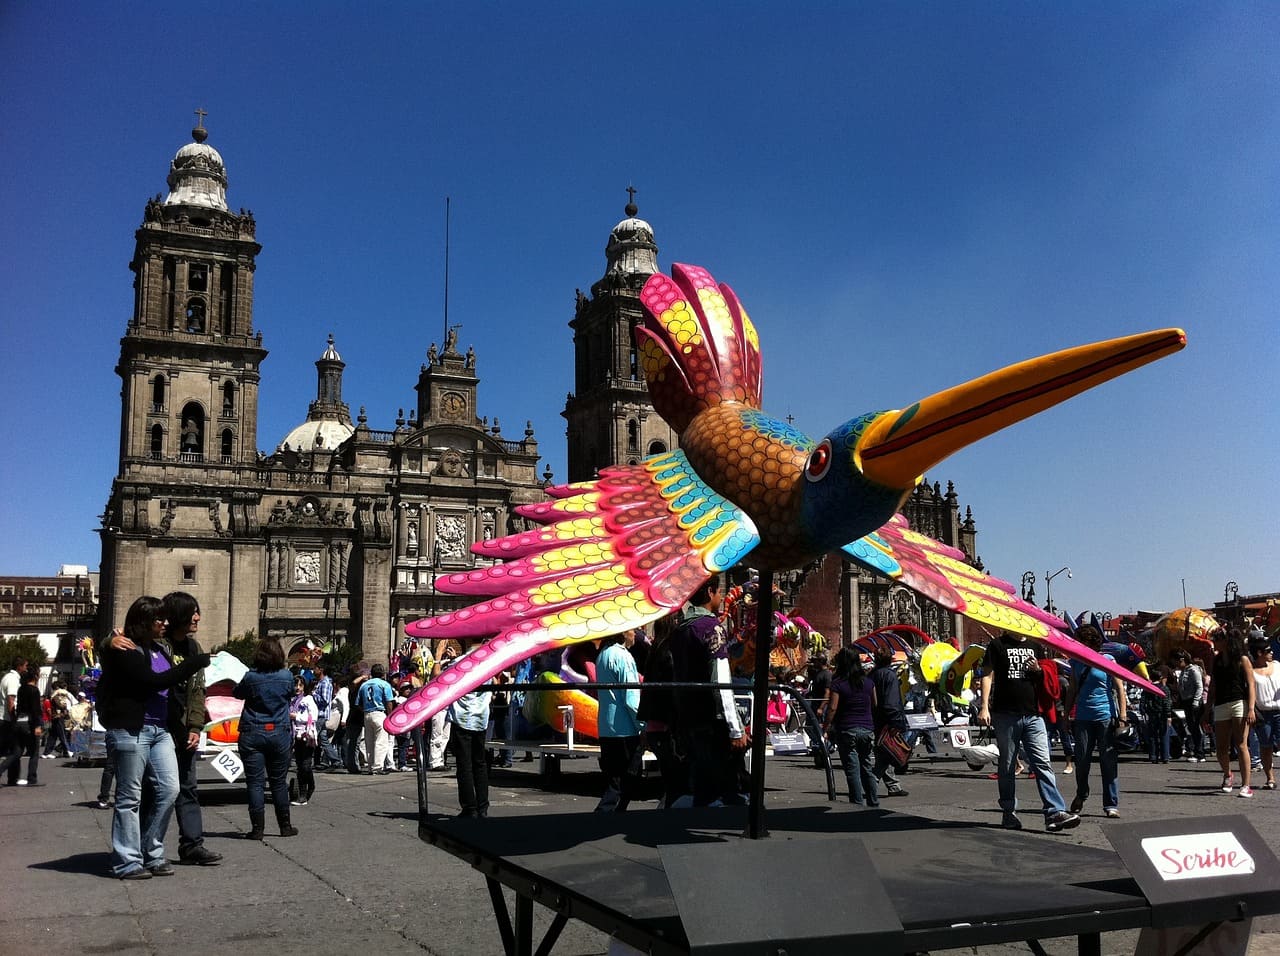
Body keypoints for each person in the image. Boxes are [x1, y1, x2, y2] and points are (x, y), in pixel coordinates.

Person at [96, 596, 210, 878]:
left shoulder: (161, 649)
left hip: (161, 730)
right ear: (144, 621)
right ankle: (127, 861)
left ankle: (150, 850)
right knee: (129, 797)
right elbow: (154, 681)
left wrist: (188, 729)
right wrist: (197, 662)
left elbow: (176, 695)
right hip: (132, 729)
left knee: (171, 789)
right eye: (159, 619)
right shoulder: (125, 649)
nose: (164, 623)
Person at [978, 631, 1080, 833]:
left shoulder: (1036, 647)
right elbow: (988, 674)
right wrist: (984, 706)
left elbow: (1046, 675)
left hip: (1034, 714)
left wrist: (1038, 670)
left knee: (1043, 762)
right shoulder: (997, 645)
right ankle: (1009, 811)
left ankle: (1054, 812)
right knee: (1007, 765)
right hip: (1006, 713)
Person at [669, 574, 746, 806]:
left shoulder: (681, 629)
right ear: (711, 592)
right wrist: (735, 728)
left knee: (699, 782)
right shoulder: (712, 628)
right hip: (711, 720)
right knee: (719, 785)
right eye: (720, 592)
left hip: (687, 715)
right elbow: (721, 680)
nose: (722, 597)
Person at [159, 592, 221, 866]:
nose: (198, 617)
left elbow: (198, 690)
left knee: (187, 787)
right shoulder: (157, 645)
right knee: (157, 789)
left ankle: (193, 845)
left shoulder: (194, 649)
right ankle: (147, 849)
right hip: (159, 727)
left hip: (184, 729)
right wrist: (111, 638)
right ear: (177, 615)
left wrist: (196, 726)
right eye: (193, 612)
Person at [235, 638, 298, 839]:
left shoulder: (250, 677)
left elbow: (237, 694)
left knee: (255, 783)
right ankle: (285, 826)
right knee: (278, 782)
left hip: (253, 730)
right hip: (279, 730)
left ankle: (257, 829)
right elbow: (290, 694)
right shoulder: (287, 676)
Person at [1067, 625, 1128, 819]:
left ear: (1091, 643)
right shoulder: (1075, 662)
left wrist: (1123, 717)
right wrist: (1066, 715)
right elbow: (1072, 690)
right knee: (1082, 761)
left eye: (1081, 641)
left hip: (1105, 716)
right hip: (1083, 717)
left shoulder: (1108, 660)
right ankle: (1082, 793)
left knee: (1108, 762)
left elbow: (1120, 689)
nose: (1078, 645)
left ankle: (1111, 803)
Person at [638, 614, 687, 808]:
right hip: (666, 722)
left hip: (653, 722)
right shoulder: (669, 653)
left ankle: (667, 807)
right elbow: (672, 691)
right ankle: (669, 811)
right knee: (676, 775)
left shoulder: (654, 650)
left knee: (669, 775)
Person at [822, 647, 879, 806]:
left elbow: (832, 708)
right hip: (867, 728)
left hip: (847, 728)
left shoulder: (838, 683)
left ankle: (857, 803)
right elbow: (875, 704)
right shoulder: (868, 682)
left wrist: (826, 726)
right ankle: (873, 802)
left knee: (852, 770)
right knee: (867, 767)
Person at [594, 630, 643, 812]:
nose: (635, 635)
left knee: (613, 778)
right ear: (624, 633)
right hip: (625, 728)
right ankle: (607, 812)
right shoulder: (624, 656)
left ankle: (610, 812)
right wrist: (642, 725)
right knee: (628, 777)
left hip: (607, 727)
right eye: (633, 630)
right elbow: (631, 699)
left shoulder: (603, 655)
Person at [1209, 628, 1255, 797]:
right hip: (1221, 704)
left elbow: (1251, 685)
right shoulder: (1217, 660)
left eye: (1216, 639)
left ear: (1225, 641)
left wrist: (1251, 708)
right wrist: (1207, 709)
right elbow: (1213, 686)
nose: (1214, 642)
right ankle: (1228, 774)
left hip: (1238, 702)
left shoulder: (1242, 660)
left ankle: (1246, 785)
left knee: (1241, 744)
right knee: (1221, 747)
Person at [446, 660, 491, 818]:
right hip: (480, 718)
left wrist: (438, 656)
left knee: (464, 765)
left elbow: (438, 680)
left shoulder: (459, 662)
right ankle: (483, 806)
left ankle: (469, 807)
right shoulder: (490, 660)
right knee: (479, 763)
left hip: (463, 718)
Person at [869, 648, 909, 798]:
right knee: (887, 754)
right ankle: (871, 782)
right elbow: (891, 702)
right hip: (888, 720)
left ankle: (893, 786)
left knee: (883, 752)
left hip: (876, 717)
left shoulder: (872, 674)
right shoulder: (889, 675)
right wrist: (896, 721)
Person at [0, 667, 45, 786]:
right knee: (34, 752)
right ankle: (32, 778)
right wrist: (37, 725)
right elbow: (35, 710)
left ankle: (4, 772)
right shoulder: (34, 690)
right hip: (29, 722)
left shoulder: (21, 689)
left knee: (16, 751)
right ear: (35, 676)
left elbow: (17, 706)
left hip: (19, 721)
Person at [1249, 636, 1279, 790]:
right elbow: (1250, 694)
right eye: (1268, 650)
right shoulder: (1252, 672)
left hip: (1279, 711)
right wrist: (1251, 711)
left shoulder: (1277, 665)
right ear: (1259, 653)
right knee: (1266, 747)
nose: (1271, 652)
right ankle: (1270, 778)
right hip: (1264, 713)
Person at [357, 663, 395, 774]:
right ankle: (377, 767)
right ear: (382, 674)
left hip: (367, 713)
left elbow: (358, 703)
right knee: (381, 742)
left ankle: (370, 767)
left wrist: (365, 710)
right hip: (379, 712)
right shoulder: (384, 684)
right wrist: (390, 715)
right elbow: (389, 701)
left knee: (369, 742)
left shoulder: (364, 685)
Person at [290, 675, 319, 805]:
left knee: (305, 765)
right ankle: (303, 793)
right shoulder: (290, 700)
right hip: (294, 736)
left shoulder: (308, 699)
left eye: (300, 685)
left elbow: (313, 717)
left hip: (306, 736)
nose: (297, 688)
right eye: (296, 685)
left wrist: (296, 716)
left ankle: (308, 788)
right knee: (300, 765)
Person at [1173, 650, 1207, 761]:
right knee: (1191, 727)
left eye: (1176, 661)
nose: (1175, 664)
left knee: (1196, 727)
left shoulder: (1193, 670)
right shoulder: (1183, 671)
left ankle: (1200, 753)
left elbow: (1199, 686)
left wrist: (1196, 701)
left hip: (1194, 702)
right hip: (1186, 701)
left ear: (1182, 660)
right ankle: (1196, 751)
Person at [0, 656, 26, 787]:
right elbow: (11, 700)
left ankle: (13, 778)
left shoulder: (6, 677)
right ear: (19, 666)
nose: (26, 668)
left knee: (12, 750)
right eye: (25, 666)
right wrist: (14, 718)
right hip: (8, 720)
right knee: (16, 751)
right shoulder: (13, 680)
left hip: (4, 719)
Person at [1143, 667, 1175, 764]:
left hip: (1152, 714)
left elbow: (1143, 701)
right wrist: (1169, 715)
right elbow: (1167, 703)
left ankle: (1153, 756)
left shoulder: (1148, 689)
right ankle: (1165, 756)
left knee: (1152, 735)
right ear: (1160, 678)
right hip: (1163, 714)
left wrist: (1145, 711)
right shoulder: (1165, 689)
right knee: (1164, 735)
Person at [312, 664, 340, 770]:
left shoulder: (325, 683)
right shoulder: (320, 683)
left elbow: (325, 700)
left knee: (313, 736)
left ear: (321, 669)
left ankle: (309, 760)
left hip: (321, 714)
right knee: (323, 739)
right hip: (319, 714)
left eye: (315, 668)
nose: (314, 671)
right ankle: (335, 760)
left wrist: (313, 695)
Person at [42, 680, 74, 759]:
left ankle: (46, 752)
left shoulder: (55, 695)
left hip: (56, 717)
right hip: (58, 717)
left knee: (53, 736)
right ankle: (68, 750)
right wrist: (64, 706)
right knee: (62, 735)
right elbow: (59, 705)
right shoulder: (56, 696)